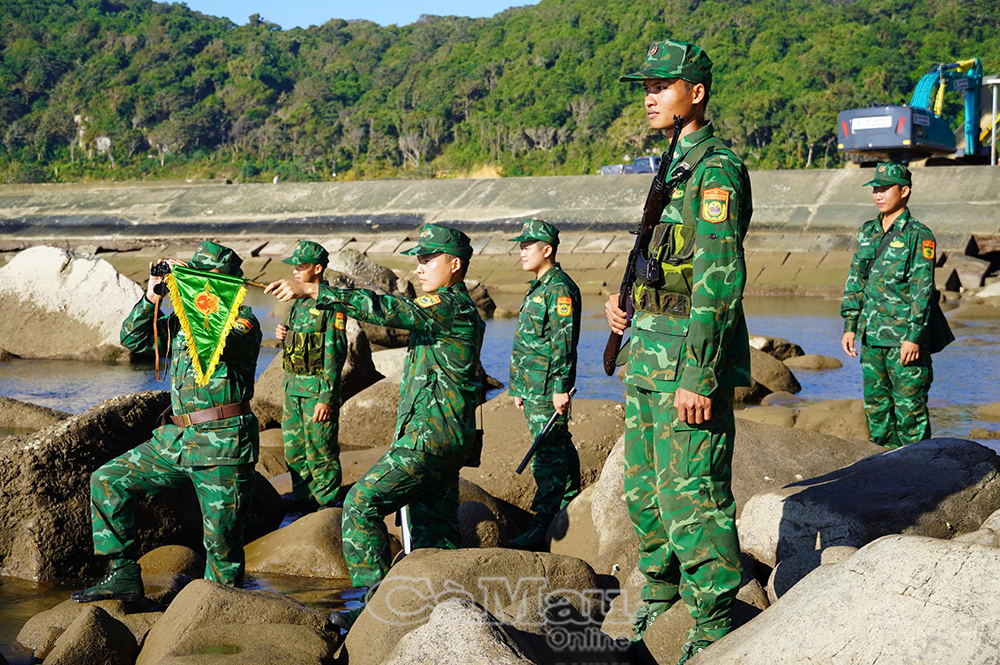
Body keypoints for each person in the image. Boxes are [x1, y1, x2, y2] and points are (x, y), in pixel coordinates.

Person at [604, 39, 752, 663]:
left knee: (692, 493)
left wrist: (700, 375)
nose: (650, 96)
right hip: (647, 354)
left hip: (684, 366)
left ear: (696, 92)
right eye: (645, 86)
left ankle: (715, 619)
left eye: (661, 86)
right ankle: (661, 596)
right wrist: (628, 306)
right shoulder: (672, 164)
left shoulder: (715, 169)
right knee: (642, 490)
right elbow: (666, 261)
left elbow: (719, 281)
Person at [265, 223, 485, 630]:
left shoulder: (448, 306)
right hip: (440, 437)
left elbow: (389, 311)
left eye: (428, 259)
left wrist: (317, 291)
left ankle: (374, 606)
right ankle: (448, 612)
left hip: (430, 438)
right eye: (417, 259)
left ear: (455, 265)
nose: (419, 267)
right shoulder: (447, 309)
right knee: (434, 537)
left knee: (360, 505)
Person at [73, 241, 261, 602]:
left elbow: (217, 335)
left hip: (222, 445)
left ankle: (217, 612)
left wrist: (189, 286)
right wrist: (150, 298)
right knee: (108, 480)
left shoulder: (244, 321)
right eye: (194, 276)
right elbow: (132, 338)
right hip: (175, 440)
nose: (194, 283)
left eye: (203, 277)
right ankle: (123, 574)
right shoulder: (181, 321)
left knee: (222, 544)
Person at [841, 162, 936, 449]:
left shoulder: (918, 235)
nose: (878, 195)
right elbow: (856, 279)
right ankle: (883, 474)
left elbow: (923, 290)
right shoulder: (867, 231)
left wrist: (914, 337)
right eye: (875, 189)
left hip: (903, 343)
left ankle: (919, 478)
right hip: (871, 340)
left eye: (885, 188)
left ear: (904, 191)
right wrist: (850, 327)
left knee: (910, 414)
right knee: (877, 413)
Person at [507, 218, 582, 550]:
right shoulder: (538, 287)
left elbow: (562, 343)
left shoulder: (560, 289)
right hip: (532, 387)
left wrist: (560, 388)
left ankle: (542, 524)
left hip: (548, 388)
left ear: (546, 250)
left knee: (546, 458)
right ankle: (568, 504)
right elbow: (527, 343)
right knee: (558, 447)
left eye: (527, 247)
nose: (522, 252)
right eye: (520, 247)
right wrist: (518, 388)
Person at [275, 241, 349, 508]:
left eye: (302, 266)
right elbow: (298, 342)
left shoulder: (330, 303)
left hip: (316, 391)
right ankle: (305, 505)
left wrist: (326, 398)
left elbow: (335, 352)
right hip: (292, 389)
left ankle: (327, 509)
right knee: (294, 453)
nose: (296, 271)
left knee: (321, 452)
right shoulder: (295, 302)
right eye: (294, 266)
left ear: (317, 269)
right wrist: (283, 334)